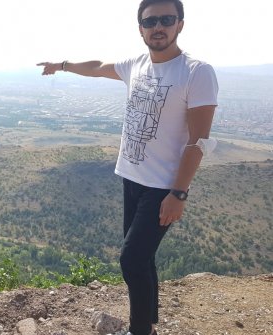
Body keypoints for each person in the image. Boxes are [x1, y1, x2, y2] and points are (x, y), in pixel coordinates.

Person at [37, 0, 218, 334]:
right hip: (132, 179)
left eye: (167, 19)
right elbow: (98, 66)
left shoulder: (196, 71)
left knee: (131, 260)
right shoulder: (136, 64)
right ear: (141, 29)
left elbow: (199, 141)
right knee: (142, 258)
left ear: (180, 24)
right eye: (151, 21)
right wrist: (61, 64)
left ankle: (139, 330)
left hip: (163, 185)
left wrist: (179, 192)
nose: (158, 27)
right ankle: (147, 324)